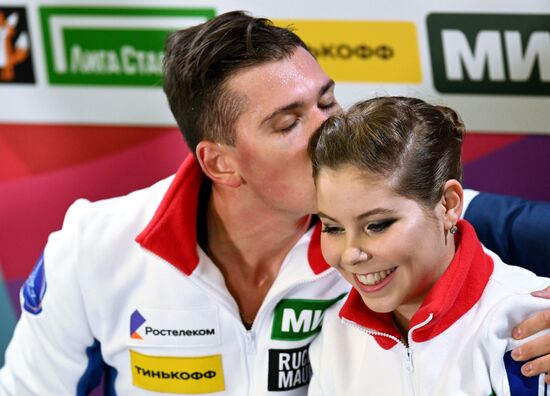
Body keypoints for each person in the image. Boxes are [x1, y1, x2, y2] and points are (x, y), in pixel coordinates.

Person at [0, 11, 549, 395]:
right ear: (221, 163)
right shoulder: (95, 247)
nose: (329, 129)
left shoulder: (406, 215)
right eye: (289, 122)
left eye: (328, 100)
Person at [307, 96, 550, 395]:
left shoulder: (529, 323)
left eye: (377, 225)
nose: (350, 253)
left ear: (448, 205)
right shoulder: (335, 334)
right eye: (332, 227)